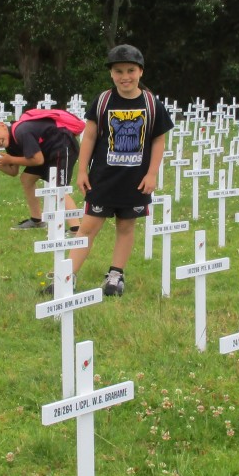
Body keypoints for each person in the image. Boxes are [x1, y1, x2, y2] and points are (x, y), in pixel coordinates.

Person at [64, 43, 173, 296]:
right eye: (119, 71)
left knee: (126, 227)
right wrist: (82, 171)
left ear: (140, 72)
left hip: (135, 180)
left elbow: (158, 140)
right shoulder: (103, 101)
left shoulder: (151, 103)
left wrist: (152, 174)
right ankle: (67, 276)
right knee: (88, 228)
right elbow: (90, 136)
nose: (125, 76)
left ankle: (115, 276)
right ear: (111, 74)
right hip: (103, 178)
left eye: (131, 70)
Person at [0, 113, 81, 229]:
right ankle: (36, 220)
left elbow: (38, 160)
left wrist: (10, 159)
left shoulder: (21, 132)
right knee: (26, 179)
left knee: (58, 188)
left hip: (62, 145)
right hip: (45, 152)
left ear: (2, 125)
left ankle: (76, 229)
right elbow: (13, 171)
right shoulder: (10, 143)